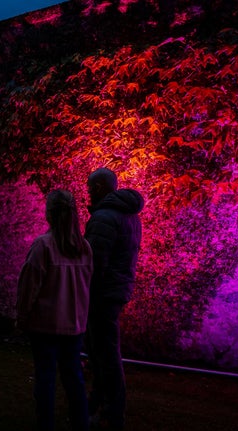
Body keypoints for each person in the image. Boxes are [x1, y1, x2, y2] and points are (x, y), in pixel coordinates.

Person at [17, 189, 93, 431]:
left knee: (46, 378)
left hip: (45, 325)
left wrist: (22, 316)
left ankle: (46, 424)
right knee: (74, 379)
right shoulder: (84, 248)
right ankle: (81, 424)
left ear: (49, 213)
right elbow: (87, 285)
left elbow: (29, 287)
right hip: (75, 325)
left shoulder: (43, 246)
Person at [84, 168, 144, 430]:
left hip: (103, 294)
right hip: (117, 290)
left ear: (98, 188)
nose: (87, 192)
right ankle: (97, 404)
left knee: (105, 354)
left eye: (89, 187)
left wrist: (83, 294)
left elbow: (93, 264)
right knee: (102, 351)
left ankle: (112, 412)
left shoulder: (104, 218)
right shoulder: (130, 216)